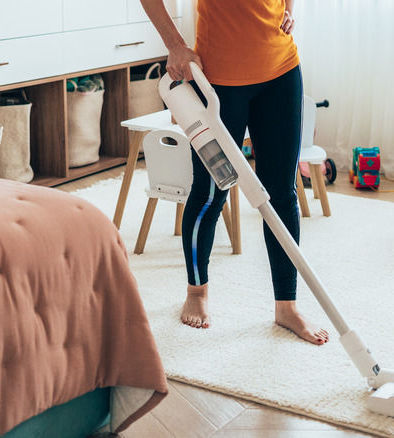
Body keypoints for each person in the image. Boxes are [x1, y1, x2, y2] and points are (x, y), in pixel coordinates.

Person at [140, 0, 329, 345]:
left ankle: (286, 305)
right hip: (219, 82)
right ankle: (197, 291)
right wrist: (174, 45)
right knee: (212, 192)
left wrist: (289, 8)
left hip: (281, 70)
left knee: (282, 193)